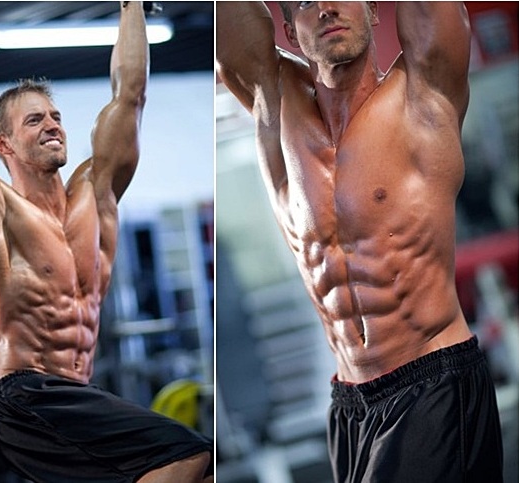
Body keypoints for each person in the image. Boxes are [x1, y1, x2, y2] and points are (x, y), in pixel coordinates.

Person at [0, 1, 213, 482]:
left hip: (77, 393)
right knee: (191, 452)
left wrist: (132, 7)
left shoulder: (95, 196)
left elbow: (130, 96)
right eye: (34, 120)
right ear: (3, 146)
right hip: (24, 394)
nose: (53, 124)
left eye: (55, 116)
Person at [216, 2, 503, 482]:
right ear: (289, 29)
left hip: (433, 383)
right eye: (306, 2)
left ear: (373, 11)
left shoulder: (424, 96)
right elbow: (229, 34)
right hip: (350, 403)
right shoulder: (276, 110)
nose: (326, 8)